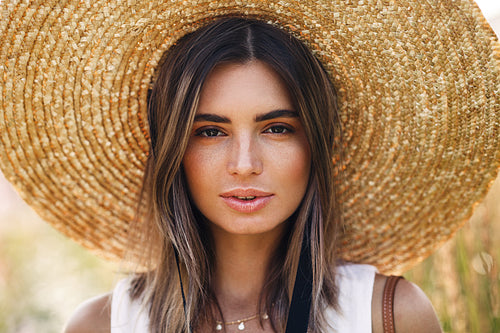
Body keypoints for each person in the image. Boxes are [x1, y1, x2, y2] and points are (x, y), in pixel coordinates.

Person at [0, 1, 498, 333]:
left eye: (277, 127)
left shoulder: (390, 316)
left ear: (316, 145)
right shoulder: (102, 325)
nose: (244, 164)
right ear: (174, 149)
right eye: (210, 131)